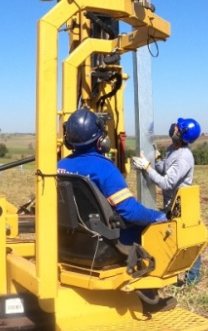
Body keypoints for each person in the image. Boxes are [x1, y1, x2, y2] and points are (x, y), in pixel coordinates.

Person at [57, 108, 175, 313]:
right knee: (153, 231)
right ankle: (150, 298)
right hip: (102, 246)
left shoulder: (60, 165)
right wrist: (158, 216)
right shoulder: (104, 168)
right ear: (100, 140)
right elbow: (129, 211)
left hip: (69, 243)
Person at [131, 117, 202, 286]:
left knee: (188, 239)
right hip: (171, 202)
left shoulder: (184, 157)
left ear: (182, 135)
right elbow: (165, 169)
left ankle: (192, 279)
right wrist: (157, 159)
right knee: (169, 235)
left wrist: (147, 168)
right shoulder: (173, 149)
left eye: (177, 128)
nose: (174, 128)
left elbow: (166, 182)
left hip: (180, 204)